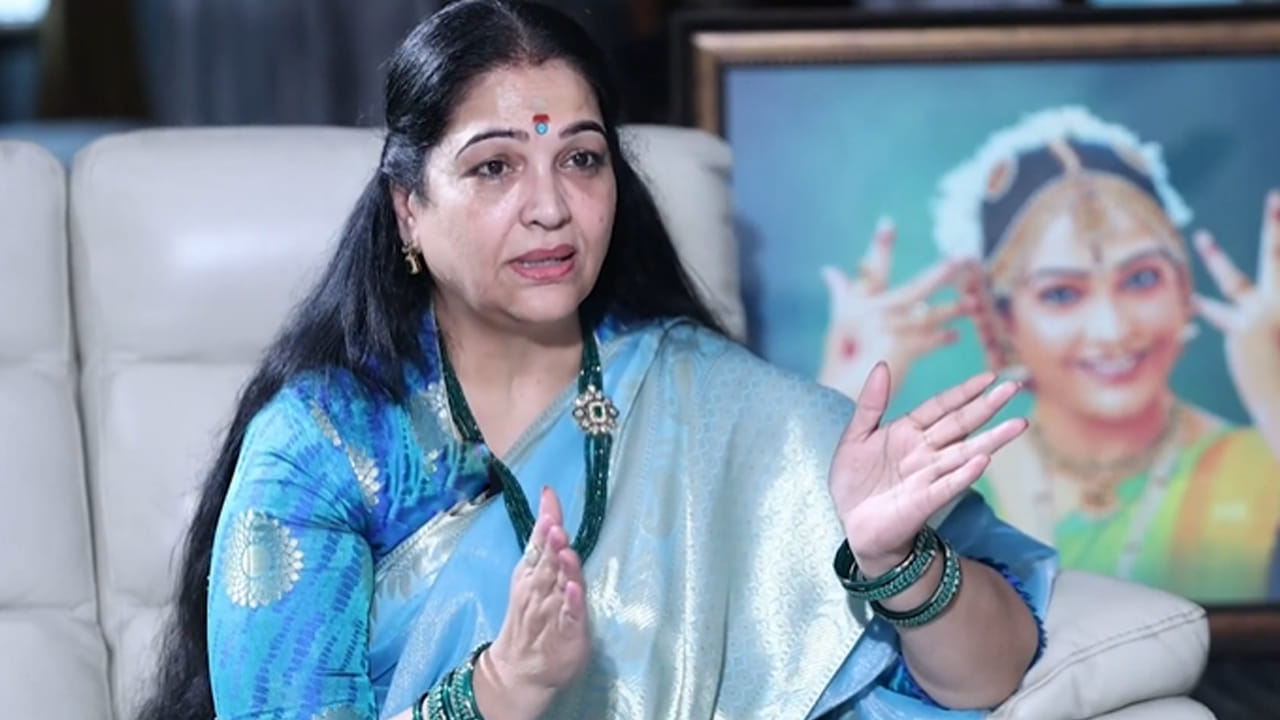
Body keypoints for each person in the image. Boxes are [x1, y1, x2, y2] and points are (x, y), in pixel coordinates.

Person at [135, 3, 1055, 719]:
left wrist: (897, 560)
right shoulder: (327, 446)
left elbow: (990, 675)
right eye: (494, 167)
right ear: (408, 208)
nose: (550, 208)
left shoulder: (711, 404)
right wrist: (497, 692)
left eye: (581, 159)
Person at [818, 106, 1280, 604]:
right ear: (1003, 320)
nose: (1112, 330)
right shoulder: (949, 490)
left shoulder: (1261, 463)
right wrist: (831, 402)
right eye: (1061, 293)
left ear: (1182, 287)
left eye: (1141, 279)